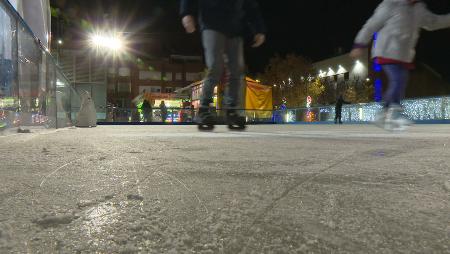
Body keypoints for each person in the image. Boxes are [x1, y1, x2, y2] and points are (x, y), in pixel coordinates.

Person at [350, 0, 450, 130]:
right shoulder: (391, 4)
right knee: (398, 79)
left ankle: (383, 113)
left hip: (403, 55)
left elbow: (433, 22)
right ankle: (394, 113)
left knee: (401, 81)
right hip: (386, 50)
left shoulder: (419, 9)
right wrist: (359, 44)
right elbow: (372, 25)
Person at [180, 0, 266, 129]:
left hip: (235, 28)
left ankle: (231, 110)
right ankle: (203, 108)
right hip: (211, 22)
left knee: (237, 70)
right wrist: (186, 13)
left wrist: (259, 29)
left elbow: (251, 6)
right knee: (215, 66)